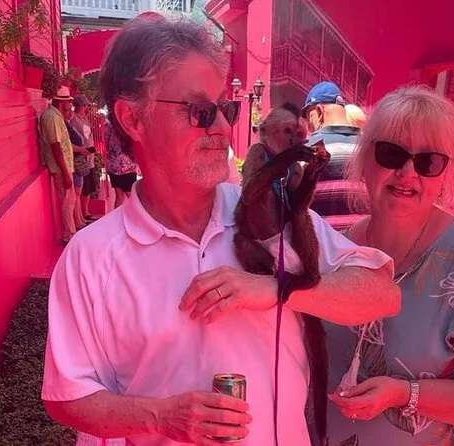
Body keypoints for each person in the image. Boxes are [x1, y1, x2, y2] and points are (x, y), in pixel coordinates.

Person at [41, 15, 400, 446]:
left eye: (225, 109)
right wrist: (161, 417)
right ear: (133, 119)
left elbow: (382, 293)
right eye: (201, 111)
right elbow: (68, 398)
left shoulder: (266, 212)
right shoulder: (91, 257)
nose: (222, 128)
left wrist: (276, 290)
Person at [324, 86, 454, 445]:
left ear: (445, 174)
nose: (408, 171)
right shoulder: (335, 251)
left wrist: (406, 394)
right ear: (365, 158)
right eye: (391, 153)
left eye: (428, 162)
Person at [302, 81, 366, 231]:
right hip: (360, 242)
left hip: (320, 241)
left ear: (319, 111)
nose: (309, 126)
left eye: (309, 117)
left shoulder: (307, 150)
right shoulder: (370, 148)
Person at [39, 86, 77, 244]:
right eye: (68, 102)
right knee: (67, 203)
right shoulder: (52, 117)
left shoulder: (55, 116)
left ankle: (70, 233)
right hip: (61, 169)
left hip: (64, 167)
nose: (70, 105)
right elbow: (56, 147)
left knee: (70, 201)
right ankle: (69, 236)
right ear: (62, 102)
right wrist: (66, 173)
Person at [71, 94, 99, 221]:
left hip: (90, 158)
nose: (86, 108)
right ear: (81, 106)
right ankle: (82, 214)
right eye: (85, 105)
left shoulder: (84, 119)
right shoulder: (74, 120)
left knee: (89, 187)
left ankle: (86, 212)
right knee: (84, 188)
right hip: (83, 158)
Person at [105, 118, 139, 208]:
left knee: (119, 197)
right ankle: (134, 215)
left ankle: (118, 216)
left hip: (114, 165)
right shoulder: (128, 125)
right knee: (132, 197)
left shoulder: (109, 125)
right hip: (127, 166)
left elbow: (106, 142)